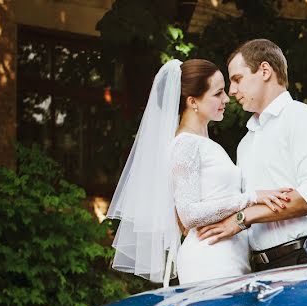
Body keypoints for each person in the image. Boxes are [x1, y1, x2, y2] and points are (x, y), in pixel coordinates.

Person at [107, 59, 288, 285]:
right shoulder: (186, 145)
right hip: (210, 259)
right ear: (193, 101)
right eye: (218, 93)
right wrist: (251, 198)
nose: (226, 98)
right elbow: (189, 214)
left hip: (229, 256)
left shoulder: (203, 142)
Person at [195, 39, 307, 271]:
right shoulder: (246, 143)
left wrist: (242, 219)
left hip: (303, 259)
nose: (231, 91)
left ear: (264, 71)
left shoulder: (306, 120)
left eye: (237, 79)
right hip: (258, 266)